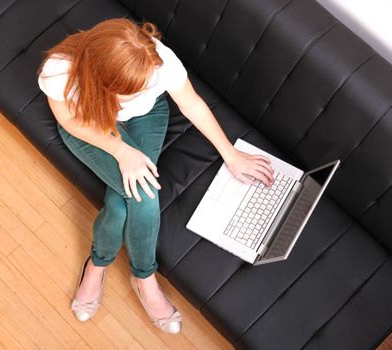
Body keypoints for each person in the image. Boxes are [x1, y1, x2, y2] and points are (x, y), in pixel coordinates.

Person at [37, 17, 274, 334]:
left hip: (145, 121)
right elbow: (69, 120)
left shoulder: (161, 62)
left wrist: (230, 154)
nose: (140, 93)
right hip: (89, 127)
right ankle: (132, 273)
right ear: (99, 80)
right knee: (143, 196)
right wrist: (121, 151)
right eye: (129, 93)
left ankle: (113, 268)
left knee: (126, 201)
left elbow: (191, 104)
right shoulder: (60, 69)